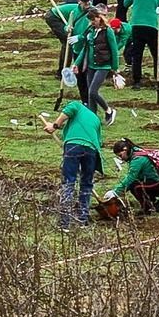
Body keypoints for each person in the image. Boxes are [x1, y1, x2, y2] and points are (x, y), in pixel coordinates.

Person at [44, 97, 104, 230]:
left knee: (69, 182)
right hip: (92, 150)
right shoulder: (95, 119)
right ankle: (83, 220)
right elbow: (99, 141)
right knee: (86, 184)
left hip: (73, 146)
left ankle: (64, 223)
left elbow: (68, 111)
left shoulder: (76, 105)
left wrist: (54, 126)